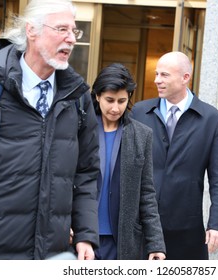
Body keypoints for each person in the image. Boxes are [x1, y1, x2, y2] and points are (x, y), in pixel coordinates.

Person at [0, 0, 100, 260]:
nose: (71, 39)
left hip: (50, 257)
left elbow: (86, 174)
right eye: (62, 29)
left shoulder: (78, 99)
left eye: (75, 31)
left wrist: (85, 234)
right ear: (32, 31)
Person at [130, 51, 218, 260]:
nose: (157, 80)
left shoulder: (211, 119)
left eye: (164, 75)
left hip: (186, 227)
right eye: (157, 74)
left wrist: (217, 224)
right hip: (142, 223)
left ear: (185, 78)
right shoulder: (139, 112)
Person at [91, 63, 166, 260]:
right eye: (109, 100)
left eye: (122, 101)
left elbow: (147, 193)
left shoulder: (142, 135)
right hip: (82, 236)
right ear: (97, 96)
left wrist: (156, 243)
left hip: (123, 240)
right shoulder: (80, 130)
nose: (116, 108)